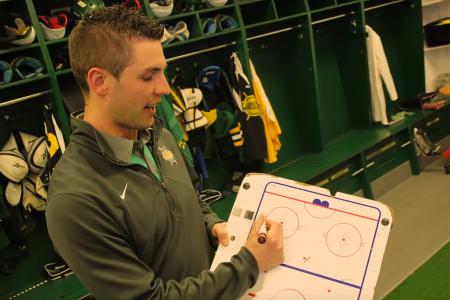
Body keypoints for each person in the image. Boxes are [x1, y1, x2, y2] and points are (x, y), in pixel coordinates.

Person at [45, 6, 284, 300]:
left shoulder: (159, 136)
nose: (166, 89)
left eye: (163, 72)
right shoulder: (76, 199)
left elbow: (190, 200)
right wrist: (249, 264)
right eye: (149, 77)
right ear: (100, 82)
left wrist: (210, 225)